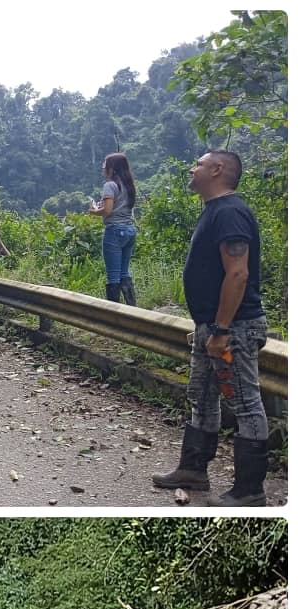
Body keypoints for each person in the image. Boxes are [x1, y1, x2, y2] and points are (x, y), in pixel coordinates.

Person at [152, 150, 270, 506]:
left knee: (246, 404)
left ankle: (249, 490)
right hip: (212, 326)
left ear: (217, 170)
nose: (192, 168)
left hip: (233, 327)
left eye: (199, 164)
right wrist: (205, 327)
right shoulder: (214, 211)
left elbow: (238, 273)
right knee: (201, 396)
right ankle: (193, 469)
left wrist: (220, 330)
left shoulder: (230, 212)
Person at [89, 153, 138, 305]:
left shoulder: (110, 185)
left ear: (112, 168)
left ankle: (113, 314)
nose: (103, 169)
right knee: (124, 273)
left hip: (114, 232)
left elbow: (108, 211)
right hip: (129, 230)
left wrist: (93, 210)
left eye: (105, 165)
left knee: (113, 276)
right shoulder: (129, 184)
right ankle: (133, 309)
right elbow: (120, 207)